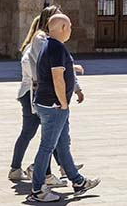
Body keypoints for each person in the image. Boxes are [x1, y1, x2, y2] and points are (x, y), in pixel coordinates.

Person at [10, 6, 86, 185]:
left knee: (52, 137)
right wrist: (62, 101)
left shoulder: (50, 42)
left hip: (42, 94)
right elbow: (49, 69)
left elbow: (55, 66)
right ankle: (39, 176)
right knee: (42, 137)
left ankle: (62, 170)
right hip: (38, 93)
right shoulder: (43, 40)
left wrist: (74, 82)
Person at [28, 14, 99, 202]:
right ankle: (37, 190)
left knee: (62, 145)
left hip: (49, 103)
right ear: (63, 27)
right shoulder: (56, 48)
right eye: (69, 27)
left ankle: (78, 182)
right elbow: (57, 77)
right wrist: (63, 103)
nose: (70, 30)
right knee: (47, 147)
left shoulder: (48, 45)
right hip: (54, 106)